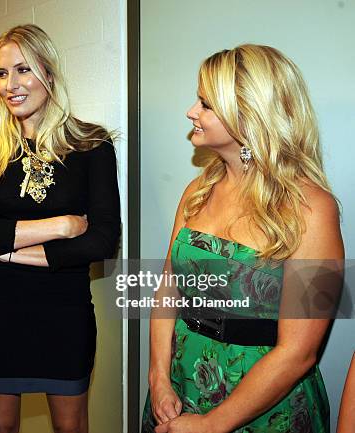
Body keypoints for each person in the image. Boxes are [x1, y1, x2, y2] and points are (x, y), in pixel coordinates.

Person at [141, 45, 343, 433]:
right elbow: (169, 288)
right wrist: (158, 377)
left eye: (205, 103)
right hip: (181, 382)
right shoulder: (197, 190)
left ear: (249, 116)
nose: (191, 112)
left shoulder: (312, 210)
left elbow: (298, 352)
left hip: (263, 404)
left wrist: (212, 425)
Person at [0, 24, 120, 433]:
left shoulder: (91, 146)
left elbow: (102, 239)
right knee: (1, 427)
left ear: (48, 72)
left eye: (23, 69)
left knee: (70, 428)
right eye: (2, 73)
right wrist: (60, 226)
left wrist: (4, 248)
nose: (11, 84)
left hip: (64, 312)